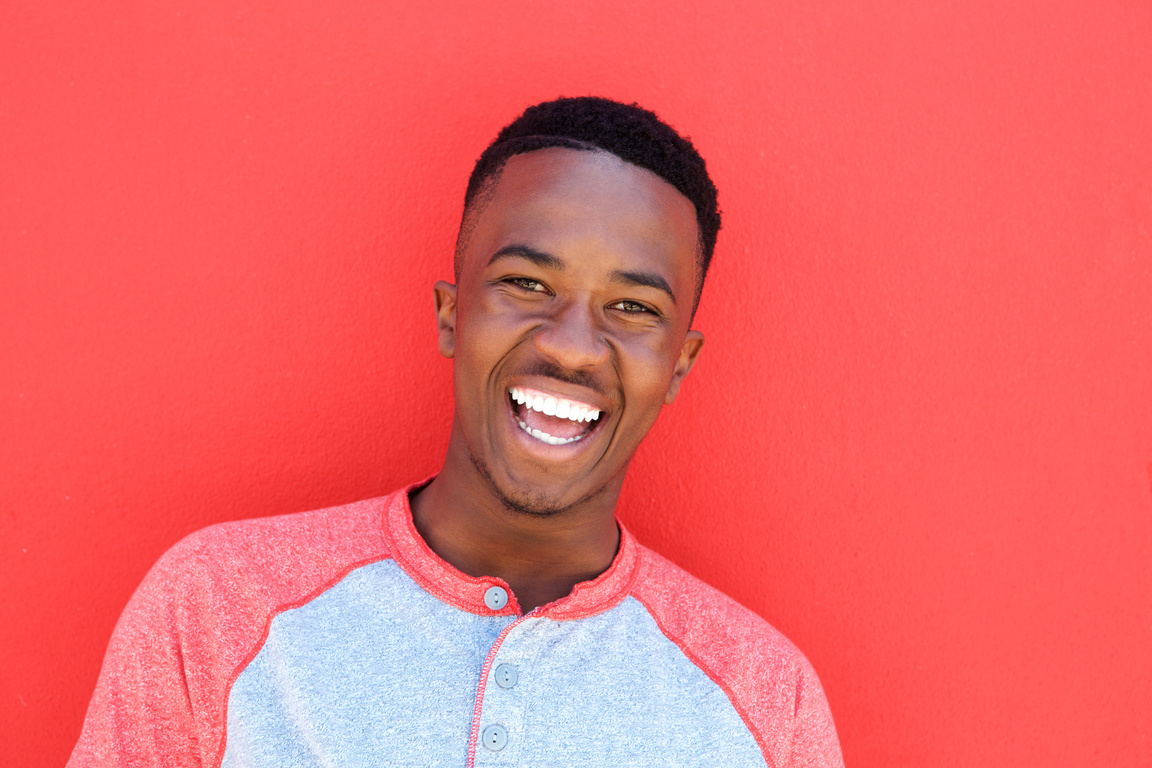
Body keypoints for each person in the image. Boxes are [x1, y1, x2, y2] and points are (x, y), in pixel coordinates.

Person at [69, 96, 844, 767]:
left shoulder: (766, 701)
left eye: (632, 306)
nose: (571, 345)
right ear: (452, 315)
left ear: (678, 365)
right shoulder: (214, 606)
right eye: (526, 283)